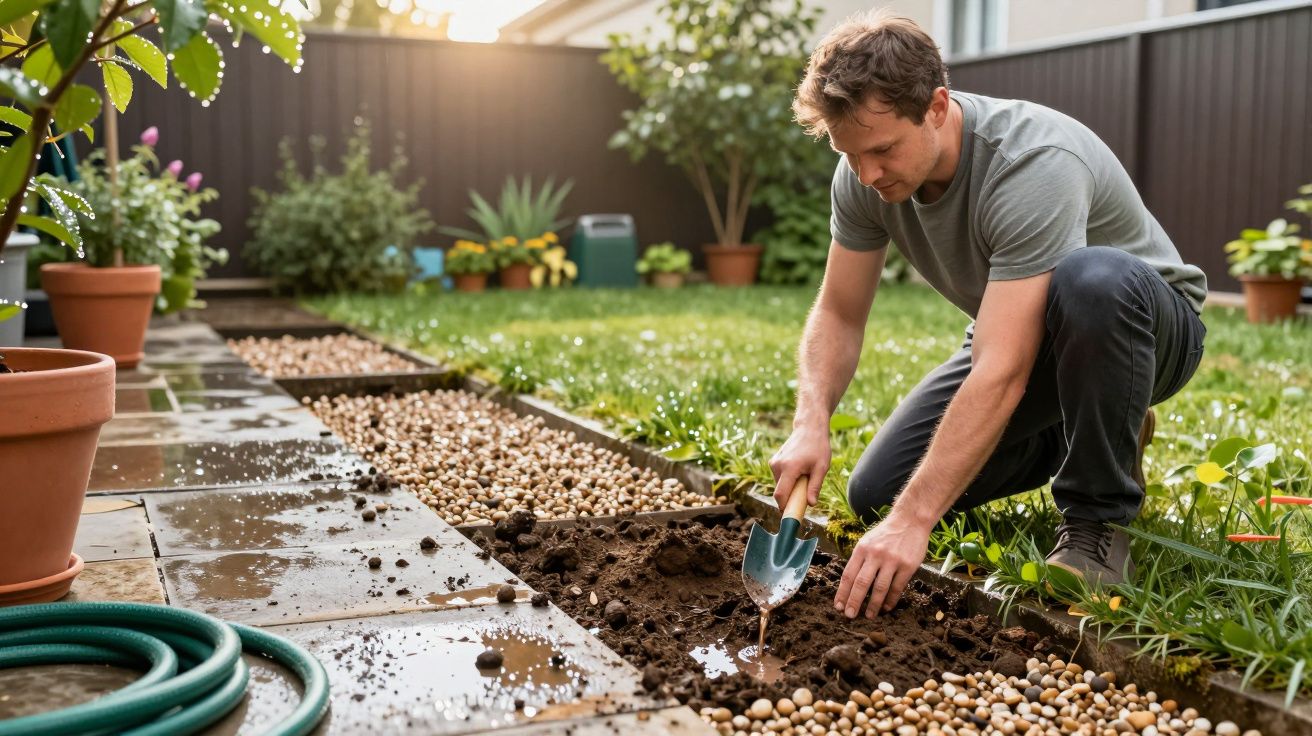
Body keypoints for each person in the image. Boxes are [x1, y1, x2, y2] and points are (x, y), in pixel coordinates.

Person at [769, 10, 1208, 620]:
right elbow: (841, 312)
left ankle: (1097, 526)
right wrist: (811, 420)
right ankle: (1099, 428)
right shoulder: (862, 175)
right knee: (878, 496)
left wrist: (916, 522)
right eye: (851, 154)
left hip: (1145, 330)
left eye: (883, 150)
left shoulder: (1032, 162)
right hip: (1024, 334)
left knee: (1093, 277)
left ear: (936, 106)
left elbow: (1002, 370)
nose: (867, 174)